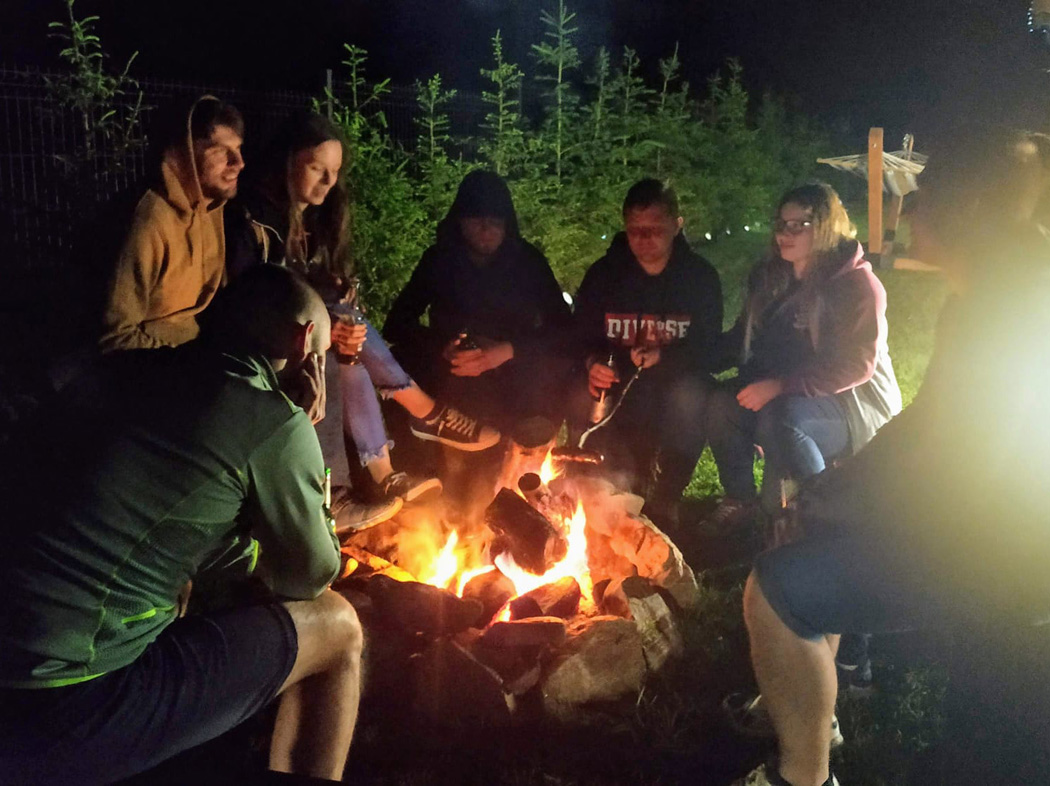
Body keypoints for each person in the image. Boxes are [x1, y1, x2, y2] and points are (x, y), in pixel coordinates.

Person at [733, 129, 1050, 786]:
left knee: (774, 588)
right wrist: (834, 491)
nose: (909, 211)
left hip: (1002, 561)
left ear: (969, 209)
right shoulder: (992, 294)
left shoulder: (1010, 308)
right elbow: (928, 430)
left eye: (923, 197)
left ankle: (802, 775)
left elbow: (959, 467)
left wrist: (840, 508)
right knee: (811, 542)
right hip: (991, 539)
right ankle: (820, 700)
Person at [0, 266, 363, 784]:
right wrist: (302, 441)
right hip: (59, 704)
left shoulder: (123, 369)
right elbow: (310, 576)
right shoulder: (273, 420)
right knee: (339, 624)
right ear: (305, 342)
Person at [225, 112, 499, 518]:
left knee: (348, 334)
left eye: (334, 171)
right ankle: (415, 423)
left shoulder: (319, 219)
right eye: (317, 168)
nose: (328, 181)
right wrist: (328, 321)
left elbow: (321, 289)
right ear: (288, 161)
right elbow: (254, 300)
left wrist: (340, 312)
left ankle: (386, 474)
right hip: (264, 344)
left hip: (311, 335)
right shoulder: (255, 220)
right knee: (335, 348)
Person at [707, 183, 901, 520]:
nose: (785, 233)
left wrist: (781, 386)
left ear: (826, 227)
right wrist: (681, 356)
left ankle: (819, 514)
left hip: (849, 405)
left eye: (800, 225)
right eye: (782, 224)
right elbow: (743, 340)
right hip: (786, 395)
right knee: (723, 404)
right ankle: (740, 502)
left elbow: (856, 366)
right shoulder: (772, 279)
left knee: (781, 421)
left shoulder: (855, 285)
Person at [571, 178, 723, 514]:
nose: (643, 239)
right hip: (617, 379)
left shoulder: (699, 278)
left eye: (655, 230)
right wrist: (593, 363)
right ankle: (597, 487)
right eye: (635, 230)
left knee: (692, 395)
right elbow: (579, 335)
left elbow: (710, 348)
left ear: (676, 225)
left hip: (675, 382)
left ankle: (667, 494)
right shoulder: (604, 275)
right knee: (580, 392)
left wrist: (664, 357)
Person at [384, 169, 573, 434]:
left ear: (506, 224)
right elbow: (396, 324)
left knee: (558, 364)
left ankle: (530, 440)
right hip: (451, 371)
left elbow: (564, 328)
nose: (486, 229)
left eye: (494, 221)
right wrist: (443, 346)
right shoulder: (440, 259)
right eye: (476, 220)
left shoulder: (527, 261)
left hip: (514, 374)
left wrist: (507, 350)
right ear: (460, 221)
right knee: (395, 361)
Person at [100, 96, 244, 352]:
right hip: (146, 366)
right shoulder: (148, 221)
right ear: (184, 154)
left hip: (191, 355)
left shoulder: (208, 208)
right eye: (221, 151)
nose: (239, 162)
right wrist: (191, 363)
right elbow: (115, 338)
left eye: (238, 148)